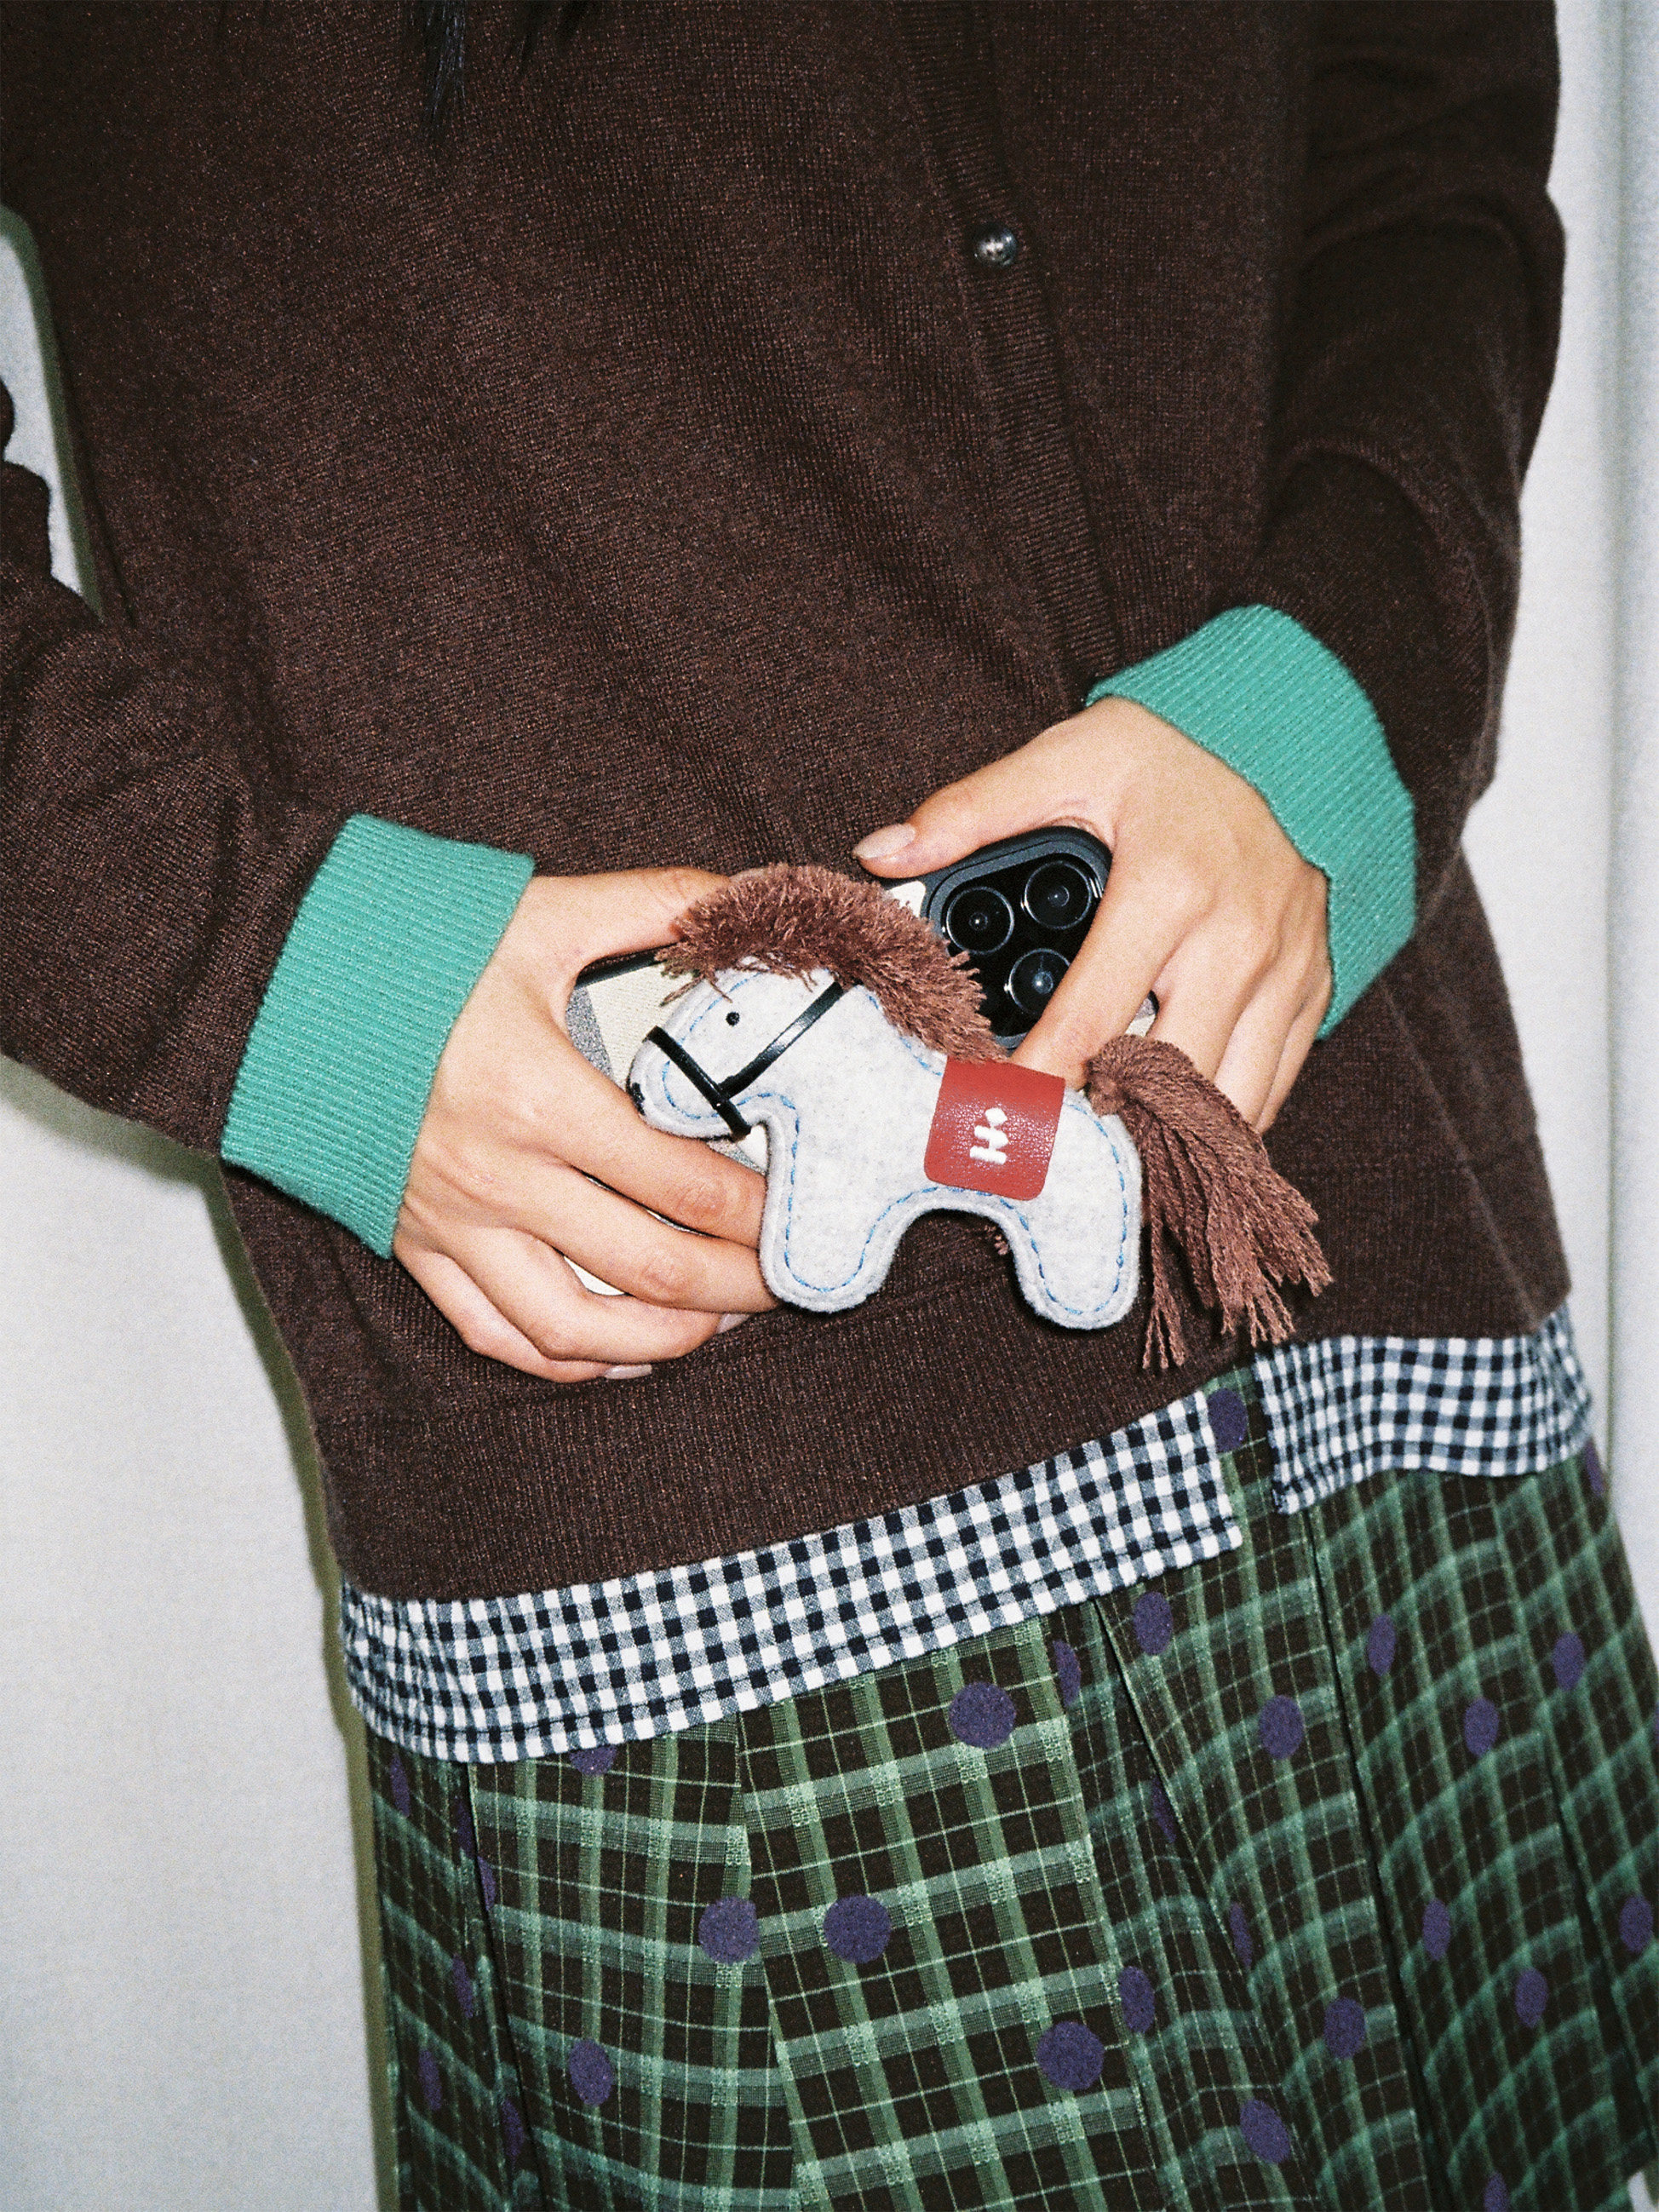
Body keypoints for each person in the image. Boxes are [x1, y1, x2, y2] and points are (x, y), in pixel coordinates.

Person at [3, 4, 1655, 2207]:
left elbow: (1422, 112)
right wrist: (274, 974)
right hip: (711, 1499)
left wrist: (1348, 671)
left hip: (1362, 1297)